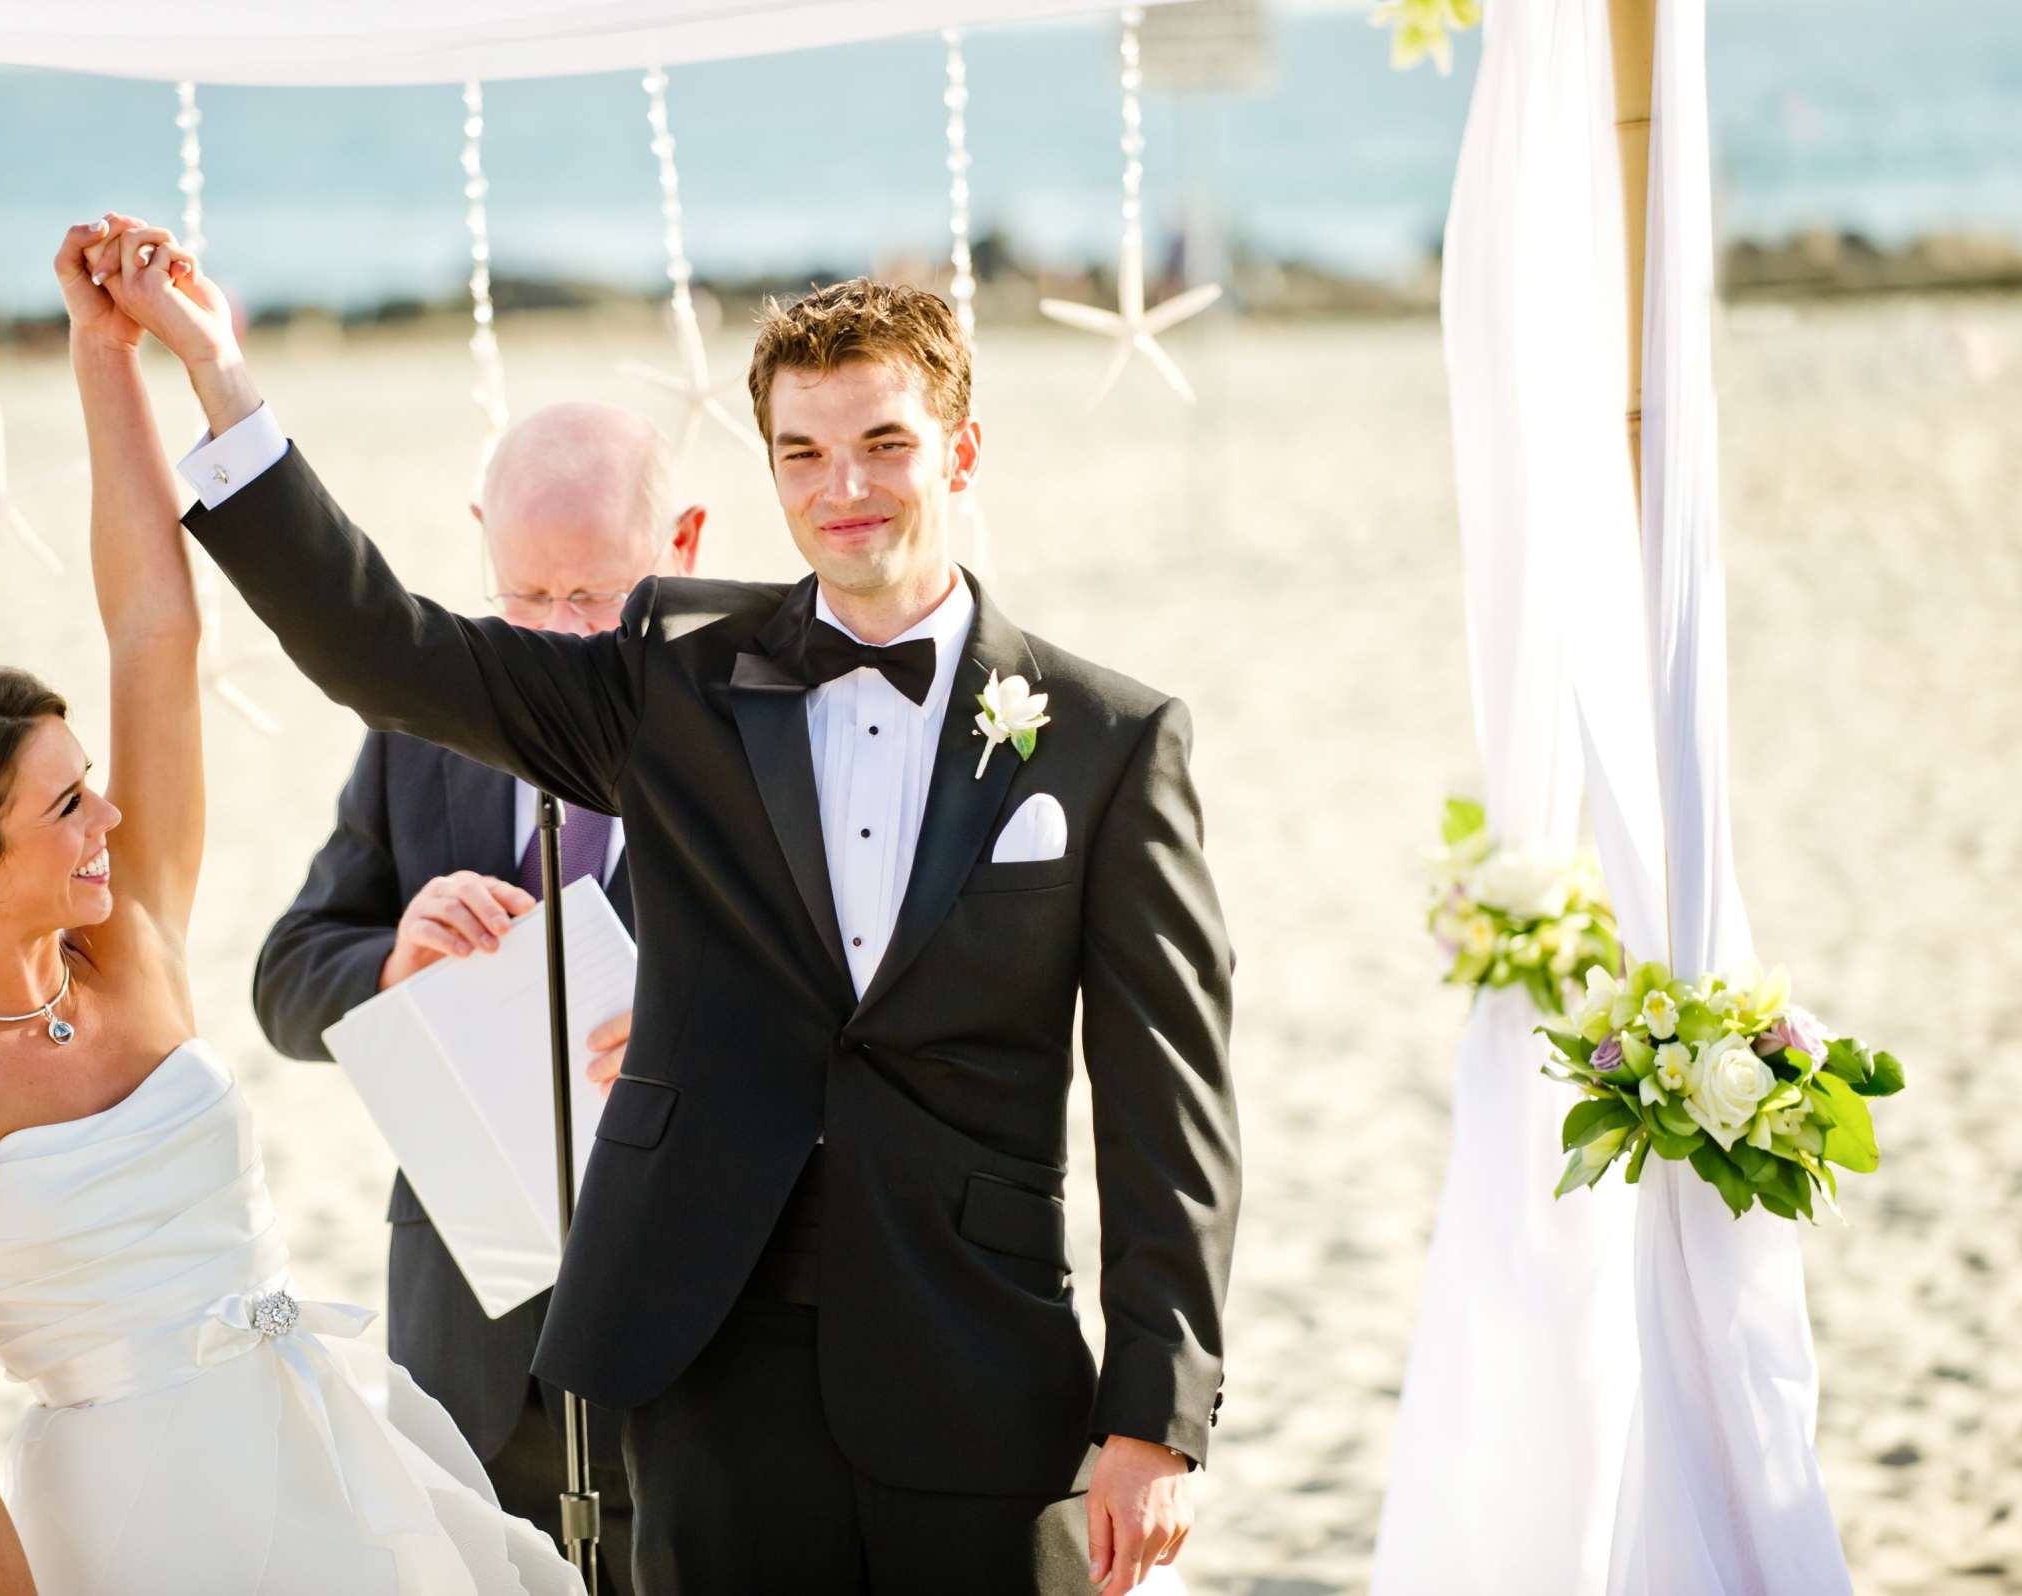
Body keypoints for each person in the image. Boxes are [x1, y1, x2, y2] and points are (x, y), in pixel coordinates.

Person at [122, 241, 1239, 1595]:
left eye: (883, 443)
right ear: (768, 468)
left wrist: (1152, 1423)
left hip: (979, 1368)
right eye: (804, 453)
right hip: (710, 1378)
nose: (844, 489)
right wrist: (218, 377)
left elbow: (1166, 1106)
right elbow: (391, 650)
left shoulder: (1110, 739)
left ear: (961, 448)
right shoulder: (674, 688)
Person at [0, 215, 582, 1596]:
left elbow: (155, 630)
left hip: (336, 1441)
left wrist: (106, 354)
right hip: (138, 1522)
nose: (111, 819)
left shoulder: (126, 940)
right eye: (66, 807)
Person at [252, 401, 703, 1595]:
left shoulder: (747, 733)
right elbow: (287, 976)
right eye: (527, 597)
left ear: (686, 543)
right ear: (480, 545)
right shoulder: (419, 735)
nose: (558, 636)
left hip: (689, 1309)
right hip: (469, 1317)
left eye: (592, 598)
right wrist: (393, 960)